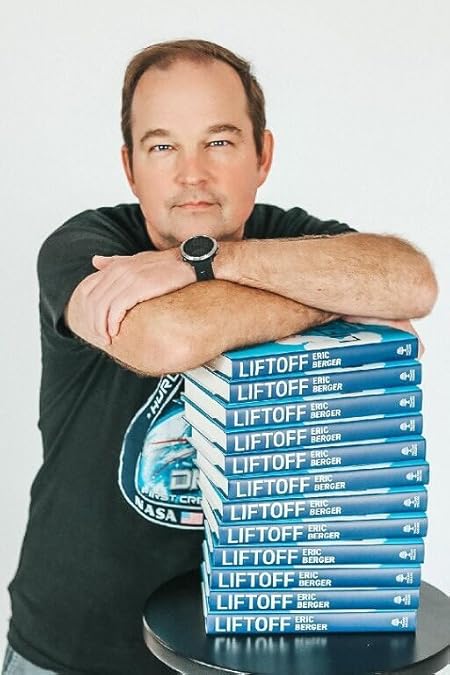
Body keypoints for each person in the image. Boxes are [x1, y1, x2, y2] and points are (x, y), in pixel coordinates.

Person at [3, 38, 437, 675]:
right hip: (72, 653)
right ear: (129, 167)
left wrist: (206, 262)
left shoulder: (283, 237)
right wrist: (334, 303)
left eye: (219, 141)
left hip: (251, 650)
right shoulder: (87, 247)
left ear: (263, 155)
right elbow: (167, 338)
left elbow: (411, 282)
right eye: (162, 147)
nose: (192, 174)